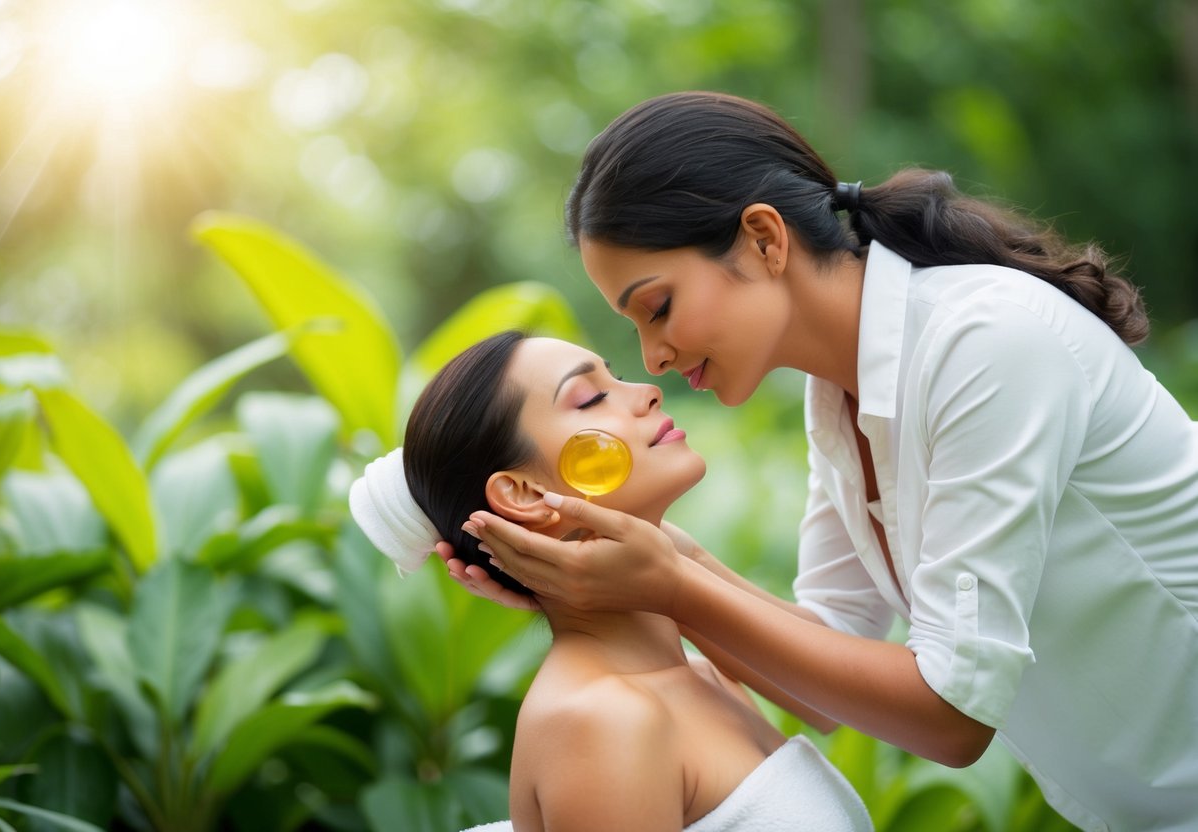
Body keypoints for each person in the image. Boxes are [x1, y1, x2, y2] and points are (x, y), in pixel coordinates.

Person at [445, 92, 1198, 832]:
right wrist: (622, 573)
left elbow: (951, 715)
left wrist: (670, 586)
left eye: (660, 307)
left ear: (764, 240)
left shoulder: (984, 342)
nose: (654, 359)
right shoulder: (837, 397)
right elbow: (824, 663)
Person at [349, 331, 874, 831]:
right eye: (590, 398)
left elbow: (835, 697)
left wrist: (676, 554)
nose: (647, 390)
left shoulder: (704, 676)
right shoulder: (601, 722)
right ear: (525, 495)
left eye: (615, 376)